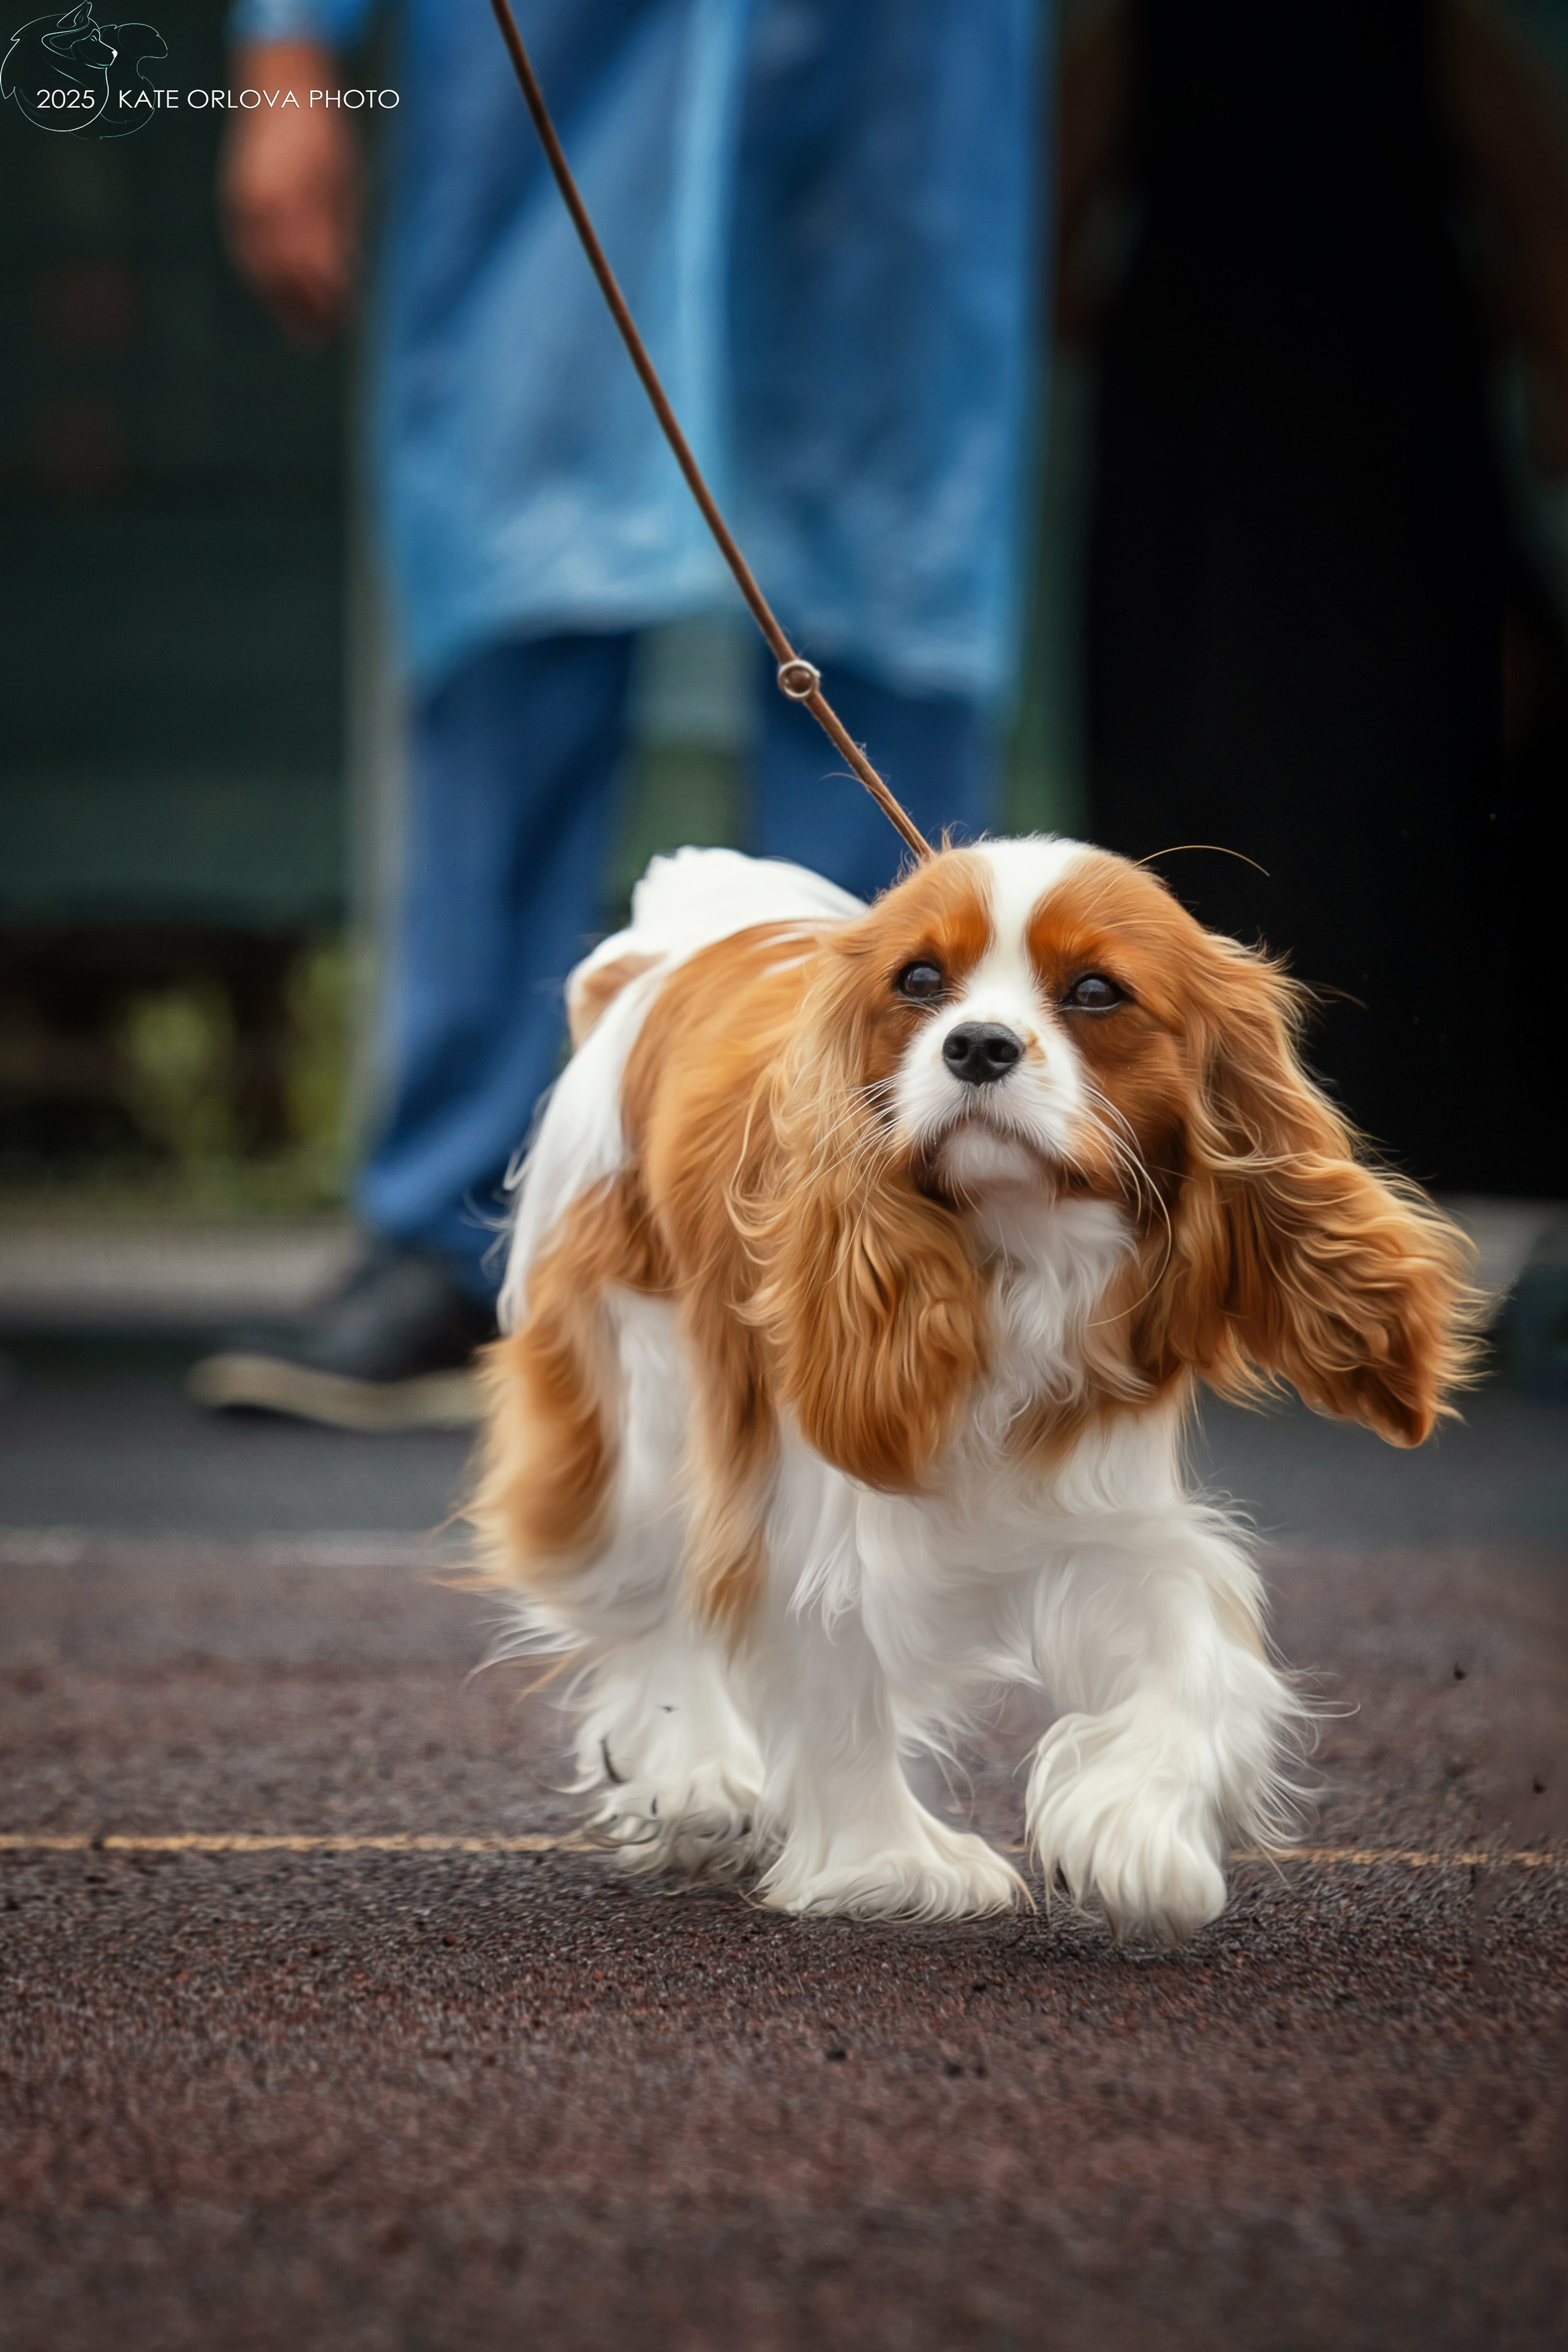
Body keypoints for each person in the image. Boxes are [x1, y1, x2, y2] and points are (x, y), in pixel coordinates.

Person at [192, 0, 1044, 1428]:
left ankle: (899, 1225)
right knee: (512, 613)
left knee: (882, 637)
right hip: (553, 96)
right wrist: (290, 53)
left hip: (897, 102)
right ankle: (457, 1238)